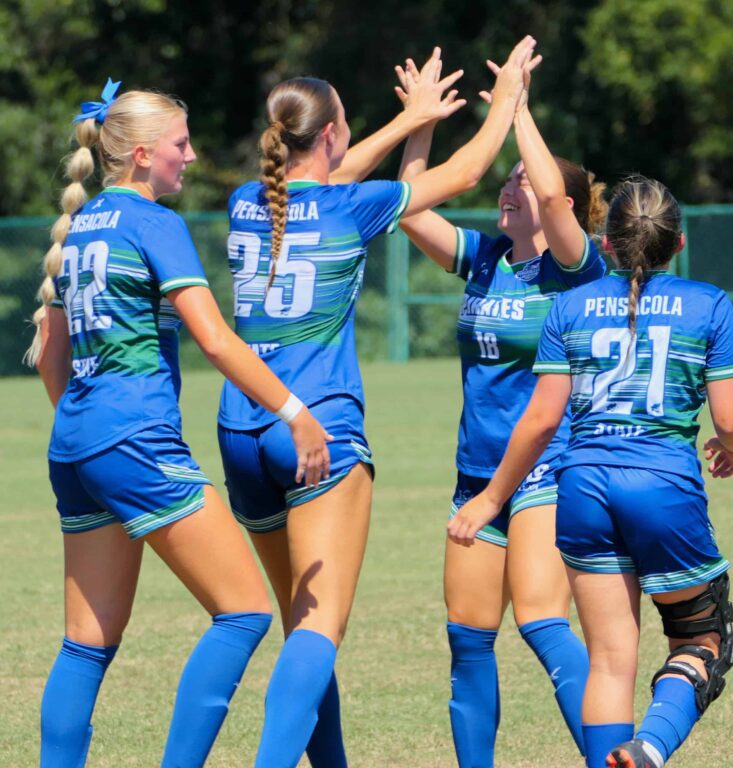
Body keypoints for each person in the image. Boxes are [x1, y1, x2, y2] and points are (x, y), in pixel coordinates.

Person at [215, 36, 540, 768]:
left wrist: (411, 120)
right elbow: (466, 173)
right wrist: (508, 101)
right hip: (315, 425)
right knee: (318, 628)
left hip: (240, 427)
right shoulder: (347, 208)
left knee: (303, 621)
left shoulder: (245, 203)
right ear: (330, 133)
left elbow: (325, 177)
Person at [28, 79, 332, 768]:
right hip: (132, 439)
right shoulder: (154, 222)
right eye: (180, 145)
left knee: (85, 643)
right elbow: (218, 341)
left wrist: (88, 429)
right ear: (140, 155)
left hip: (75, 444)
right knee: (247, 610)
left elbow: (52, 348)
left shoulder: (81, 226)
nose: (190, 158)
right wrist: (295, 413)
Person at [448, 176, 733, 768]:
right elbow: (730, 418)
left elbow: (539, 422)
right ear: (679, 243)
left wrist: (489, 500)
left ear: (605, 243)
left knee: (610, 659)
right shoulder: (708, 303)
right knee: (704, 642)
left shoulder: (569, 305)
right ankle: (652, 747)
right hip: (663, 488)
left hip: (581, 487)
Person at [395, 51, 606, 765]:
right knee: (468, 637)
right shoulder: (486, 257)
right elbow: (410, 208)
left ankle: (612, 756)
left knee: (544, 624)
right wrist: (419, 125)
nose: (510, 187)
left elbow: (552, 197)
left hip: (548, 471)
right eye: (508, 179)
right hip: (477, 474)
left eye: (520, 177)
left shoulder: (576, 270)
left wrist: (515, 109)